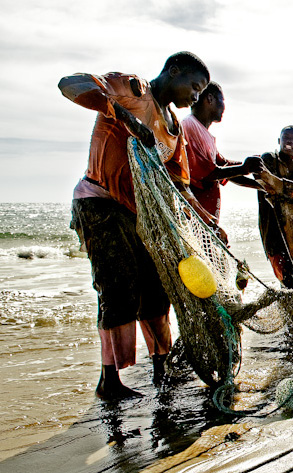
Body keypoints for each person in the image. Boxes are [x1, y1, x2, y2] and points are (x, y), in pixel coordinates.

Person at [59, 51, 216, 399]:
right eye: (193, 86)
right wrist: (123, 117)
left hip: (141, 214)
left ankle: (162, 367)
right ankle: (109, 381)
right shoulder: (130, 89)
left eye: (201, 90)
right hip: (98, 202)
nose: (196, 96)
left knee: (157, 288)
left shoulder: (175, 128)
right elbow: (70, 84)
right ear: (173, 72)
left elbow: (180, 182)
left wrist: (206, 221)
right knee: (117, 286)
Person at [182, 82, 263, 223]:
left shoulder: (203, 132)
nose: (224, 107)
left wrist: (262, 184)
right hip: (193, 219)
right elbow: (209, 174)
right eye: (222, 100)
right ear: (210, 99)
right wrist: (244, 168)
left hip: (206, 220)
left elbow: (224, 167)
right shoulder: (190, 126)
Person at [255, 126, 293, 287]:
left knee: (290, 275)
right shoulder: (268, 159)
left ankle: (288, 307)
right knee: (285, 277)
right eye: (286, 137)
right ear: (279, 141)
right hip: (272, 230)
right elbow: (270, 184)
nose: (289, 141)